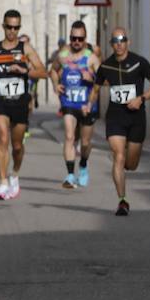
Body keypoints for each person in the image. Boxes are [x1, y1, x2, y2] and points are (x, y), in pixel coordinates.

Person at [92, 27, 150, 215]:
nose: (119, 44)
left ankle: (122, 166)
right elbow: (96, 88)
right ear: (111, 45)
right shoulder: (105, 66)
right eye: (115, 41)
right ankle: (122, 201)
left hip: (136, 117)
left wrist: (141, 99)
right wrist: (87, 106)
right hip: (115, 116)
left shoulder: (139, 63)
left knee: (131, 164)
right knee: (119, 156)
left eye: (122, 40)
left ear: (128, 42)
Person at [0, 10, 47, 200]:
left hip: (20, 102)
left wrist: (24, 69)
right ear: (3, 26)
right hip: (0, 99)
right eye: (9, 27)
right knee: (3, 137)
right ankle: (2, 183)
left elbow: (43, 72)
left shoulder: (25, 48)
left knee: (17, 146)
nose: (12, 31)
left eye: (16, 27)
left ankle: (14, 173)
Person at [50, 21, 99, 189]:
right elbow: (52, 70)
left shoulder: (92, 58)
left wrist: (91, 78)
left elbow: (103, 81)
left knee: (85, 143)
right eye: (73, 38)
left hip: (87, 104)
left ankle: (83, 165)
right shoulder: (63, 55)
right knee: (69, 136)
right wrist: (56, 84)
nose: (76, 41)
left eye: (80, 38)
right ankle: (70, 175)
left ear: (85, 39)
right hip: (69, 101)